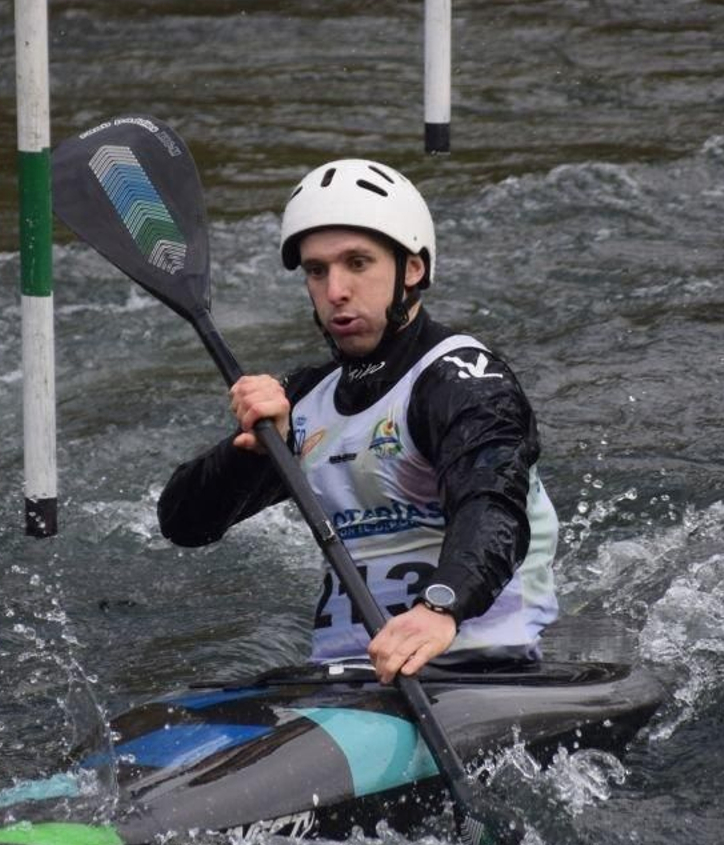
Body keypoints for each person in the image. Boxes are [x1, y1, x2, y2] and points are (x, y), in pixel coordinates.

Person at [157, 158, 559, 684]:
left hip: (482, 665)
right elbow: (185, 525)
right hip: (350, 675)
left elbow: (492, 505)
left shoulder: (464, 380)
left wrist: (442, 607)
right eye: (317, 271)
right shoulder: (305, 398)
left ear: (411, 269)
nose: (335, 290)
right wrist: (251, 454)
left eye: (358, 263)